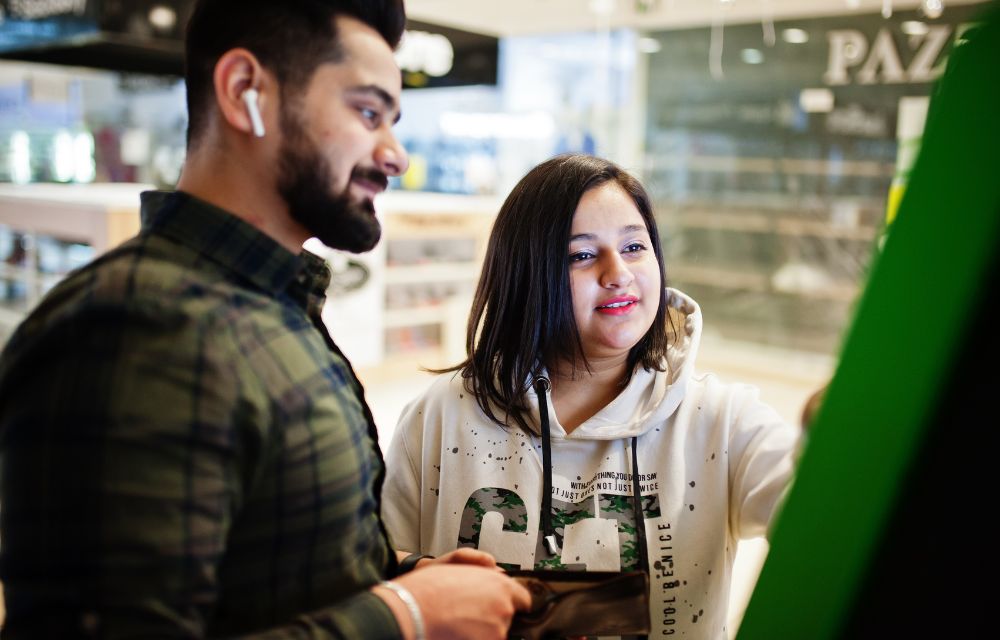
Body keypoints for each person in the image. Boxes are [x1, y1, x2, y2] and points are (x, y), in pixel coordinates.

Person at [0, 1, 530, 637]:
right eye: (367, 113)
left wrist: (400, 581)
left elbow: (270, 572)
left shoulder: (266, 306)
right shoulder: (137, 328)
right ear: (245, 91)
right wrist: (406, 617)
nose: (394, 154)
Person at [382, 153, 802, 639]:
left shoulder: (724, 421)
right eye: (581, 255)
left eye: (634, 246)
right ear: (526, 273)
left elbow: (820, 515)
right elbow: (372, 569)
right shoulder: (441, 415)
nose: (618, 272)